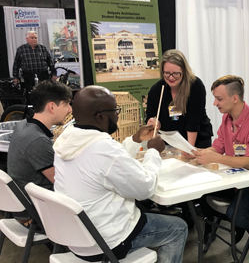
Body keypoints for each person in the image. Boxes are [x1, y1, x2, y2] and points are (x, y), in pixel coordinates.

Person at [53, 85, 188, 263]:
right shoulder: (103, 150)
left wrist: (135, 140)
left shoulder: (67, 140)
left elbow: (112, 163)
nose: (117, 114)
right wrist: (153, 153)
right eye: (115, 110)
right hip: (106, 241)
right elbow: (145, 188)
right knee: (178, 228)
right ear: (100, 117)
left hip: (76, 236)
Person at [193, 75, 249, 236]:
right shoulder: (227, 118)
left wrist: (215, 158)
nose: (214, 103)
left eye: (218, 99)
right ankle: (238, 228)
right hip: (235, 179)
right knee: (201, 197)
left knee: (236, 215)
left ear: (235, 98)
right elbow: (218, 146)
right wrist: (198, 153)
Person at [7, 80, 72, 226]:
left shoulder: (24, 125)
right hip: (35, 212)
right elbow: (62, 183)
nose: (70, 110)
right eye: (66, 104)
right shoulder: (36, 140)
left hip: (25, 204)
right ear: (51, 106)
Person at [146, 49, 213, 156]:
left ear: (184, 71)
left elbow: (193, 122)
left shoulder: (195, 86)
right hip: (169, 143)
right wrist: (153, 121)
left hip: (197, 140)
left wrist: (189, 149)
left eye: (176, 74)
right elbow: (151, 115)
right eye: (167, 73)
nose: (171, 78)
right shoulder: (157, 89)